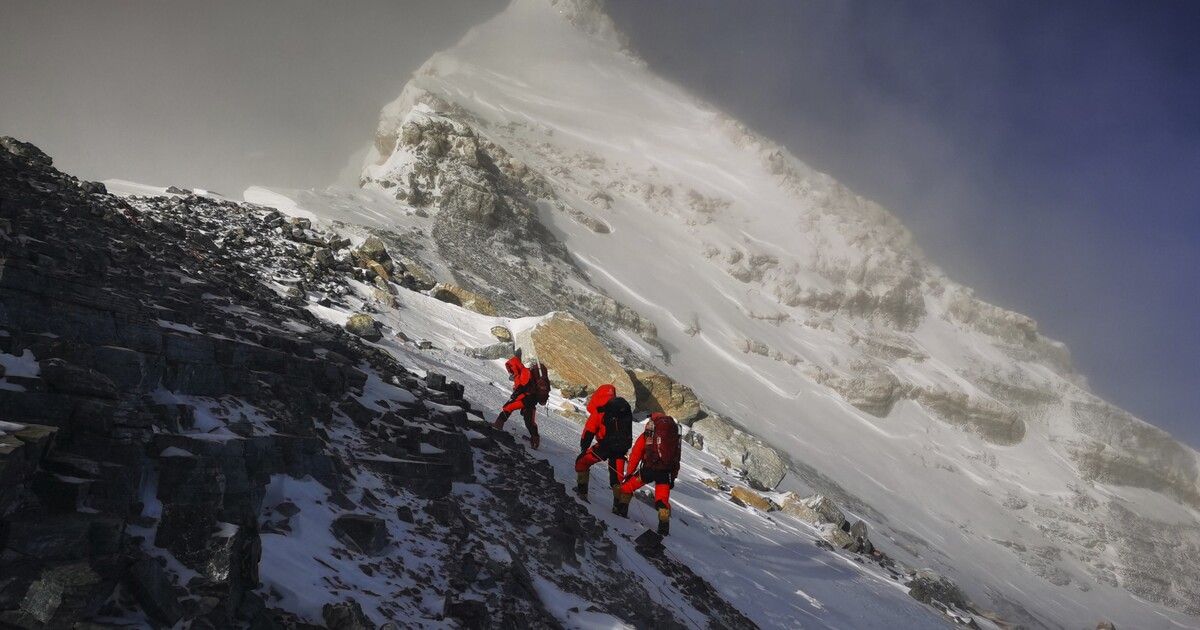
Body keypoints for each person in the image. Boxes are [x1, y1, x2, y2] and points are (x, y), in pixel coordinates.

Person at [614, 413, 681, 536]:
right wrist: (672, 478)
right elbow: (676, 460)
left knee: (627, 488)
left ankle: (620, 511)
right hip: (665, 473)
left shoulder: (649, 434)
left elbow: (636, 454)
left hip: (648, 470)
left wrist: (629, 472)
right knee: (662, 501)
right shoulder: (673, 438)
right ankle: (663, 530)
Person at [573, 386, 633, 511]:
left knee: (582, 462)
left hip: (604, 447)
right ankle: (619, 509)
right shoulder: (623, 410)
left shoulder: (600, 410)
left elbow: (589, 431)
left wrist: (584, 447)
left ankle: (582, 491)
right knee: (617, 479)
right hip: (621, 450)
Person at [492, 353, 540, 449]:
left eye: (511, 369)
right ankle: (535, 441)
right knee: (529, 421)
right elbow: (522, 386)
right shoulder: (520, 373)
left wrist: (515, 394)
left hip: (527, 399)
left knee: (508, 407)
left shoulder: (524, 371)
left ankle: (498, 425)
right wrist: (516, 393)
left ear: (514, 366)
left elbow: (523, 385)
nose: (511, 372)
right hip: (529, 400)